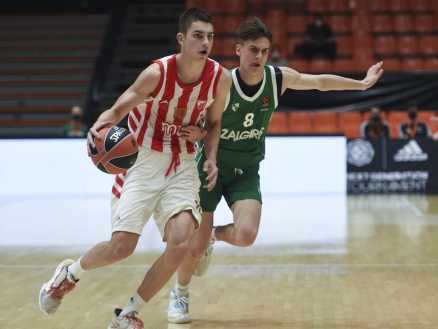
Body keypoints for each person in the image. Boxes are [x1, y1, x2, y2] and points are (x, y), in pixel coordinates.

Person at [166, 17, 383, 324]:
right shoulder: (221, 82)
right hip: (210, 169)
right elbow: (202, 126)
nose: (258, 57)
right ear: (238, 49)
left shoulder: (277, 78)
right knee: (194, 246)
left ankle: (211, 236)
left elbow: (320, 82)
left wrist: (360, 83)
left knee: (245, 235)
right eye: (253, 50)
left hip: (246, 171)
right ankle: (180, 293)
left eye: (264, 51)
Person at [38, 7, 232, 328]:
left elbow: (213, 124)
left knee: (181, 240)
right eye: (198, 35)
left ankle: (128, 314)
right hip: (142, 159)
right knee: (120, 249)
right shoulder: (157, 73)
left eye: (210, 36)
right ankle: (69, 274)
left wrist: (209, 156)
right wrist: (99, 125)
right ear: (182, 39)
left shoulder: (219, 79)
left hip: (183, 160)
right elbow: (118, 108)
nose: (205, 42)